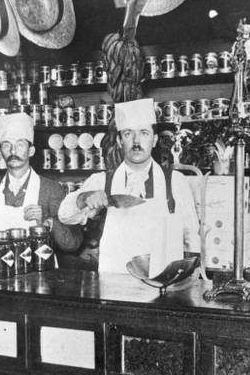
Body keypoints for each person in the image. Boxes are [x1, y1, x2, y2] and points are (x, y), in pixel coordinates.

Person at [57, 98, 200, 275]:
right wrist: (83, 198)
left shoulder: (175, 181)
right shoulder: (102, 181)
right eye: (128, 134)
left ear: (154, 139)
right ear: (119, 140)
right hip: (115, 284)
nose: (136, 141)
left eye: (144, 133)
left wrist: (189, 281)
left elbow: (192, 238)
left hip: (165, 285)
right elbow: (65, 216)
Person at [0, 112, 81, 253]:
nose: (13, 151)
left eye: (20, 144)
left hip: (39, 270)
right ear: (0, 152)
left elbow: (73, 243)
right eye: (6, 145)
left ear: (31, 151)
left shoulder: (52, 190)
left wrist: (46, 222)